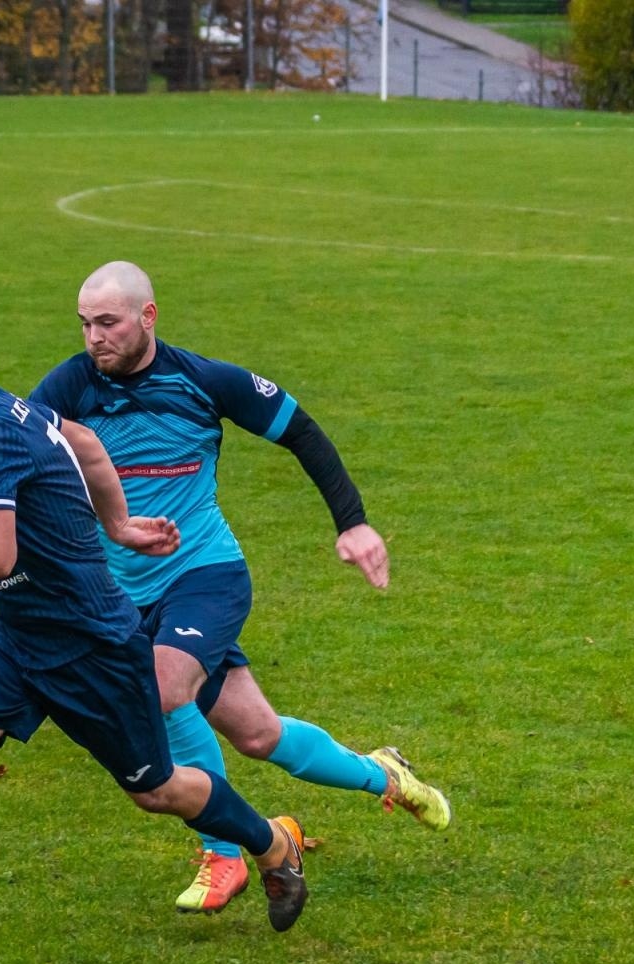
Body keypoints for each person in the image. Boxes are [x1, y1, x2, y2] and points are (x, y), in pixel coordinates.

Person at [0, 299, 308, 964]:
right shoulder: (6, 406)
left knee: (155, 789)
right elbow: (88, 447)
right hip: (16, 636)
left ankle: (271, 843)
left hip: (91, 645)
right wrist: (119, 526)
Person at [29, 261, 452, 917]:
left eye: (107, 322)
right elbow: (18, 458)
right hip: (125, 596)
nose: (94, 338)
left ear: (148, 317)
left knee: (165, 687)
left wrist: (354, 523)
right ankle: (385, 775)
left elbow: (301, 430)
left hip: (206, 575)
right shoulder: (67, 389)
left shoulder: (203, 381)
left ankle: (227, 853)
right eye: (84, 324)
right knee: (257, 735)